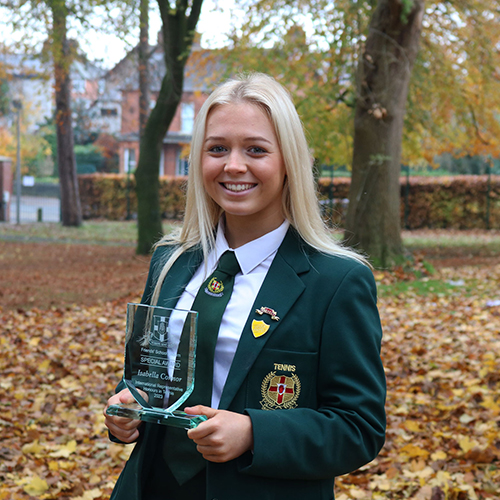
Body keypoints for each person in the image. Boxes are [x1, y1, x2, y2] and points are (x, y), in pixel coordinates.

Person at [104, 72, 386, 500]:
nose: (233, 165)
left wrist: (255, 432)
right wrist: (128, 408)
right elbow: (147, 377)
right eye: (217, 149)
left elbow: (359, 427)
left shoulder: (337, 281)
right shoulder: (170, 262)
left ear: (289, 160)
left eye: (255, 149)